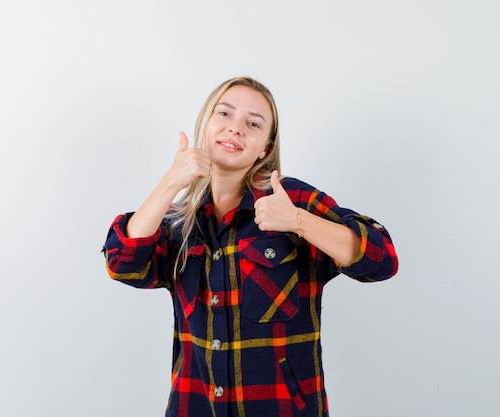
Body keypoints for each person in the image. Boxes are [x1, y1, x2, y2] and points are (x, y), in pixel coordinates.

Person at [102, 76, 398, 417]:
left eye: (253, 123)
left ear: (266, 149)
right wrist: (170, 183)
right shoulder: (177, 222)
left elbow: (382, 258)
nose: (235, 129)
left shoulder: (291, 200)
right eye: (224, 114)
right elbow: (122, 263)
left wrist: (299, 222)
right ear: (206, 125)